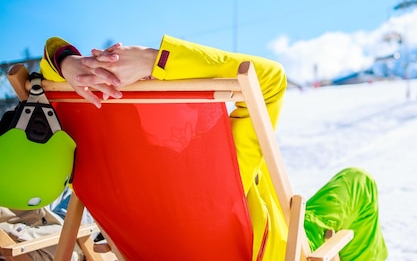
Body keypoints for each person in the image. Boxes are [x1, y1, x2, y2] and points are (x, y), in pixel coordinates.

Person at [40, 35, 388, 261]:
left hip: (154, 248)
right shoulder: (213, 172)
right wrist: (154, 61)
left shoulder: (105, 166)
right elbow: (270, 79)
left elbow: (47, 59)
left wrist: (70, 65)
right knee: (359, 183)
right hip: (278, 249)